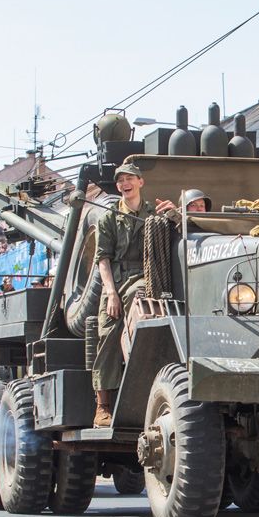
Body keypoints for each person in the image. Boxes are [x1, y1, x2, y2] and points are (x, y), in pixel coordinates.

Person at [92, 163, 174, 427]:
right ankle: (102, 406)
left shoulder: (154, 212)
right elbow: (103, 259)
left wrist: (175, 214)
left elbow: (178, 234)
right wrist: (110, 293)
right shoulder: (109, 217)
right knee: (107, 334)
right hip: (116, 280)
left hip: (146, 276)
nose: (125, 184)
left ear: (141, 182)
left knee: (142, 301)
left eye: (130, 178)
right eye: (120, 181)